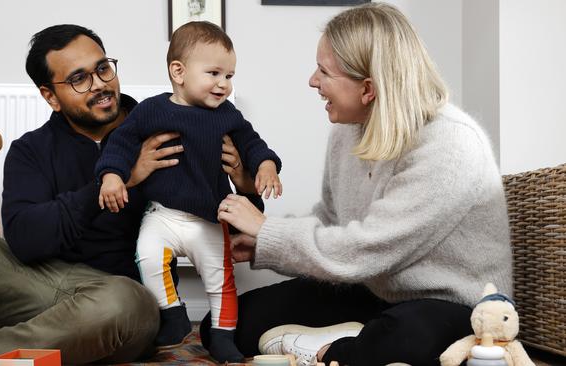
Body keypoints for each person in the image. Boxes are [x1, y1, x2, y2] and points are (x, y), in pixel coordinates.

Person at [0, 23, 257, 364]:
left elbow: (232, 235)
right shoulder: (31, 150)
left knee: (122, 300)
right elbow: (24, 240)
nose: (100, 85)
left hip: (120, 300)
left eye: (103, 68)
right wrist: (119, 181)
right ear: (50, 96)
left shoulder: (167, 127)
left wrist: (243, 181)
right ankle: (33, 342)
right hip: (37, 285)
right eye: (79, 79)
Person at [202, 3, 513, 366]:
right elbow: (333, 223)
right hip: (375, 289)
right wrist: (260, 245)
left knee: (402, 336)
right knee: (223, 326)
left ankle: (336, 349)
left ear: (368, 88)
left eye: (323, 71)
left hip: (455, 304)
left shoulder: (450, 144)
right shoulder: (345, 132)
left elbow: (370, 248)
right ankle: (351, 340)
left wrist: (268, 230)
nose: (312, 81)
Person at [95, 21, 282, 364]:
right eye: (214, 73)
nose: (224, 84)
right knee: (148, 258)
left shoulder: (226, 115)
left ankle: (223, 338)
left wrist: (267, 164)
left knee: (220, 281)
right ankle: (172, 315)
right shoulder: (151, 110)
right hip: (162, 214)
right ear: (178, 72)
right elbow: (119, 145)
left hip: (208, 217)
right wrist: (111, 177)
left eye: (229, 76)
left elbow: (253, 143)